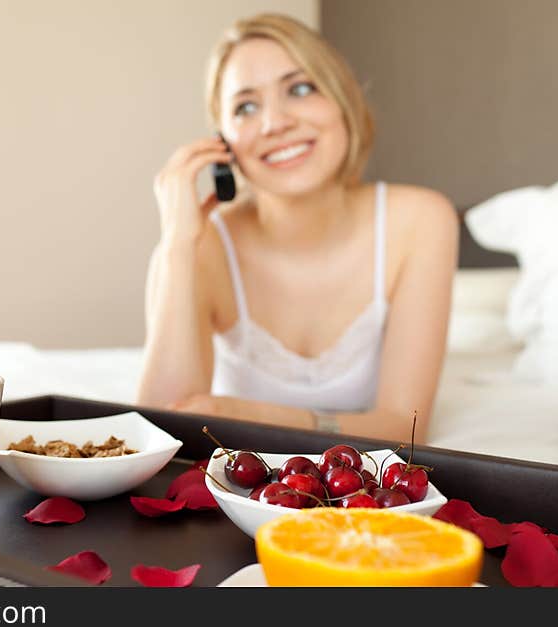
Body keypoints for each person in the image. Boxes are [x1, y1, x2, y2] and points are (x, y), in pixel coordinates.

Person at [136, 13, 458, 442]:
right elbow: (160, 433)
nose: (275, 123)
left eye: (300, 89)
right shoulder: (203, 244)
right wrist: (177, 245)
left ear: (343, 101)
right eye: (246, 107)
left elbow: (406, 427)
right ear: (223, 143)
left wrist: (238, 414)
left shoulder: (421, 220)